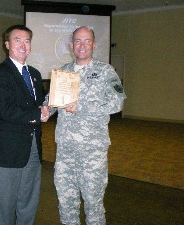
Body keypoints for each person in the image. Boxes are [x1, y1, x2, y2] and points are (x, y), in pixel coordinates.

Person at [46, 26, 126, 225]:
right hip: (65, 151)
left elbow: (117, 103)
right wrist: (46, 109)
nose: (82, 45)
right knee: (66, 202)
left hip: (92, 152)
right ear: (72, 45)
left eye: (87, 40)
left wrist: (81, 106)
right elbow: (53, 100)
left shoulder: (106, 71)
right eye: (78, 41)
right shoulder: (63, 71)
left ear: (94, 44)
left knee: (93, 204)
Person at [0, 24, 49, 225]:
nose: (23, 45)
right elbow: (5, 111)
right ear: (7, 44)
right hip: (8, 150)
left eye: (27, 41)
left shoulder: (35, 74)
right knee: (4, 205)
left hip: (33, 148)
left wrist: (54, 105)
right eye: (17, 40)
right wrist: (38, 114)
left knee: (29, 202)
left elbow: (39, 105)